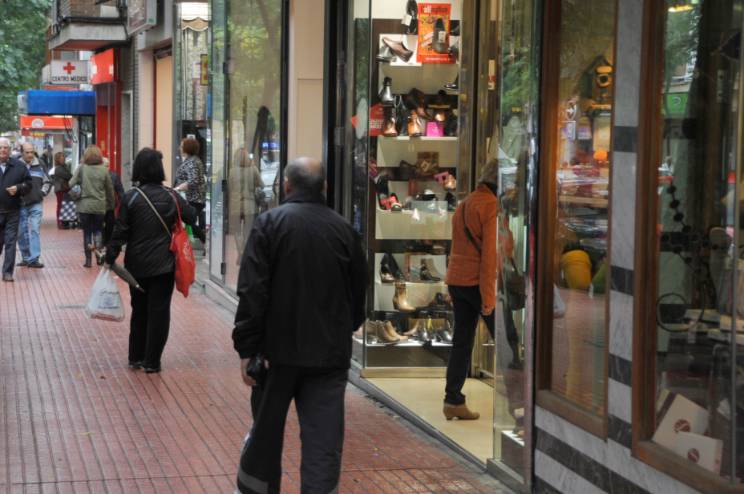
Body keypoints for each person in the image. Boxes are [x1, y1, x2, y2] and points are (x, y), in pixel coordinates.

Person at [232, 157, 367, 494]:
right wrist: (343, 328)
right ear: (325, 187)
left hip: (275, 355)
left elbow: (252, 291)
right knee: (324, 441)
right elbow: (358, 293)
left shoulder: (269, 224)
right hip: (328, 356)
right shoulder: (344, 231)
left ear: (287, 186)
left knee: (265, 437)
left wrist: (248, 348)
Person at [105, 148, 204, 374]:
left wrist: (110, 257)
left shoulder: (131, 197)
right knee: (159, 312)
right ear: (159, 169)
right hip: (164, 265)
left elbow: (120, 232)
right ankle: (152, 361)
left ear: (138, 169)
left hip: (136, 265)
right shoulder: (171, 196)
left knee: (139, 310)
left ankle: (136, 356)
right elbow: (191, 215)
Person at [443, 159, 507, 420]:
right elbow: (490, 256)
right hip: (476, 283)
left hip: (457, 280)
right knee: (508, 344)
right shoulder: (491, 205)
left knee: (461, 342)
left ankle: (453, 399)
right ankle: (519, 408)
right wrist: (489, 298)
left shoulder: (466, 202)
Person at [69, 145, 114, 268]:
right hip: (99, 206)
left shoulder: (82, 168)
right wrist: (111, 204)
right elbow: (109, 189)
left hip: (84, 206)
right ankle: (99, 257)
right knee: (98, 231)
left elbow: (70, 183)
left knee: (87, 232)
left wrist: (80, 184)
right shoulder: (104, 170)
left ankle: (88, 260)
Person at [0, 137, 32, 282]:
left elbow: (29, 184)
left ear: (10, 150)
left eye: (5, 147)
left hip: (12, 211)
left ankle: (7, 273)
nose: (3, 150)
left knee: (10, 242)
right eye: (0, 147)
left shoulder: (19, 166)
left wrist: (19, 188)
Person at [17, 143, 52, 268]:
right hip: (20, 203)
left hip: (36, 203)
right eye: (27, 152)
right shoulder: (16, 165)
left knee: (35, 230)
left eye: (32, 152)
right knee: (21, 232)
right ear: (22, 152)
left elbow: (48, 181)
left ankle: (34, 259)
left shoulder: (40, 164)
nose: (30, 155)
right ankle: (26, 257)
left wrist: (42, 193)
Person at [229, 147, 264, 259]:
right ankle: (245, 253)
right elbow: (261, 185)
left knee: (237, 232)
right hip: (250, 206)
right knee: (248, 232)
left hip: (235, 205)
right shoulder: (253, 169)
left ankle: (240, 252)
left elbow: (229, 188)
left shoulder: (232, 171)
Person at [174, 137, 206, 231]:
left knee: (189, 222)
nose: (179, 148)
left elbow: (193, 181)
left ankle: (201, 237)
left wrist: (177, 189)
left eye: (181, 146)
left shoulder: (192, 162)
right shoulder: (192, 160)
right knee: (190, 223)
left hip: (193, 200)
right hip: (193, 199)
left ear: (187, 148)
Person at [103, 160, 125, 245]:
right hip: (108, 205)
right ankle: (106, 243)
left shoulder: (114, 176)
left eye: (106, 166)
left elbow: (120, 192)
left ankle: (104, 243)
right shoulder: (113, 175)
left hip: (106, 205)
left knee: (107, 226)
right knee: (109, 226)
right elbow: (121, 192)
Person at [52, 152, 72, 228]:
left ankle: (64, 221)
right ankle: (59, 222)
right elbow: (69, 176)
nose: (63, 158)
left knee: (64, 205)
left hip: (63, 189)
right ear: (57, 159)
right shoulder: (59, 168)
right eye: (61, 157)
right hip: (60, 189)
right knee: (60, 205)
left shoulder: (64, 166)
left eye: (63, 157)